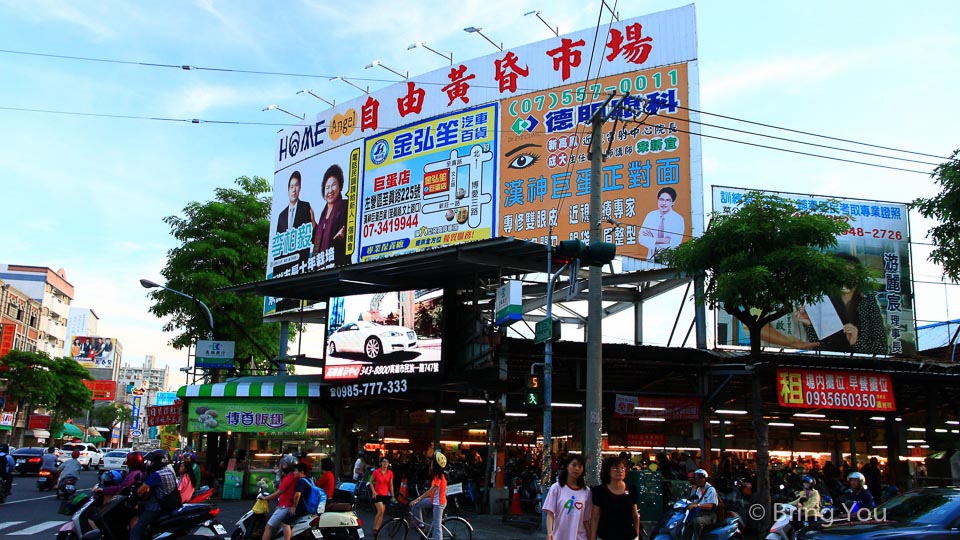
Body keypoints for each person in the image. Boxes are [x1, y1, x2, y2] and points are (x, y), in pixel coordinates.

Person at [804, 253, 887, 354]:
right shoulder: (823, 301)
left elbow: (881, 348)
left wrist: (856, 342)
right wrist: (809, 326)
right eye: (841, 274)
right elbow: (819, 347)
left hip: (863, 366)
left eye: (851, 274)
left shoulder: (868, 301)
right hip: (829, 365)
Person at [274, 170, 315, 311]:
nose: (294, 189)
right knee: (283, 308)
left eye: (296, 185)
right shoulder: (281, 216)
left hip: (301, 268)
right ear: (287, 189)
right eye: (291, 186)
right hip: (284, 271)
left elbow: (314, 233)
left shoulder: (306, 207)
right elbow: (277, 249)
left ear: (300, 188)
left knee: (299, 305)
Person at [131, 450, 180, 540]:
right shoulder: (169, 471)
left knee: (136, 531)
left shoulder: (157, 475)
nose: (151, 464)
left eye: (153, 461)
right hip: (169, 504)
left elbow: (141, 491)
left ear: (158, 461)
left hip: (156, 507)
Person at [544, 453, 592, 540]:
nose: (576, 469)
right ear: (567, 466)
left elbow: (586, 520)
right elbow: (550, 513)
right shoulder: (556, 488)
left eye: (580, 466)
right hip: (559, 536)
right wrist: (550, 533)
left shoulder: (586, 491)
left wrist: (590, 537)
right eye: (574, 465)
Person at [590, 456, 640, 540]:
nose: (620, 471)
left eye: (622, 468)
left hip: (629, 536)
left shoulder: (632, 489)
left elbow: (635, 514)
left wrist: (637, 535)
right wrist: (592, 537)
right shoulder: (599, 491)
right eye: (615, 468)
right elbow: (595, 517)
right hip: (605, 536)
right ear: (607, 471)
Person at [312, 164, 349, 268]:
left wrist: (345, 232)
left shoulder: (345, 205)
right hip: (321, 267)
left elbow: (349, 227)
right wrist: (314, 223)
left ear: (340, 186)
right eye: (327, 187)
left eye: (333, 185)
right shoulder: (323, 214)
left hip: (339, 265)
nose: (330, 190)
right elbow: (317, 240)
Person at [409, 451, 448, 540]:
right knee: (415, 506)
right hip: (433, 500)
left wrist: (417, 499)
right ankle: (421, 525)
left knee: (437, 528)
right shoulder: (436, 476)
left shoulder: (439, 477)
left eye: (432, 463)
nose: (430, 465)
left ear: (436, 466)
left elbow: (429, 492)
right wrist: (417, 501)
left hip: (438, 504)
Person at [639, 187, 685, 261]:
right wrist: (665, 240)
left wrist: (652, 240)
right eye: (661, 199)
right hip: (650, 261)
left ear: (673, 202)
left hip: (670, 262)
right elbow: (641, 239)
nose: (664, 203)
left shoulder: (678, 219)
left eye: (667, 200)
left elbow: (674, 243)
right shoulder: (651, 216)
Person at [261, 459, 300, 540]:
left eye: (283, 465)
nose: (281, 467)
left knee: (269, 526)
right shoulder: (293, 477)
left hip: (285, 506)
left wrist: (265, 498)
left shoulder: (288, 478)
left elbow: (278, 493)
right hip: (285, 505)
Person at [686, 469, 718, 540]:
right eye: (697, 478)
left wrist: (698, 505)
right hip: (700, 513)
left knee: (696, 521)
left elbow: (710, 506)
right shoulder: (698, 489)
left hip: (710, 515)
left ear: (705, 479)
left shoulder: (711, 489)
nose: (698, 480)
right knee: (688, 522)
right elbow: (694, 501)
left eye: (701, 478)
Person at [370, 457, 396, 535]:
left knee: (382, 512)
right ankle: (374, 528)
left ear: (388, 464)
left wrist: (392, 495)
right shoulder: (376, 472)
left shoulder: (390, 473)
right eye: (384, 462)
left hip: (385, 495)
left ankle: (377, 530)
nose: (385, 464)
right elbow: (370, 482)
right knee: (380, 511)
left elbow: (391, 485)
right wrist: (374, 492)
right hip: (377, 494)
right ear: (381, 463)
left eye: (387, 462)